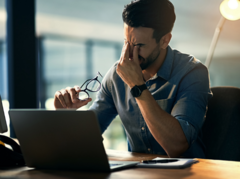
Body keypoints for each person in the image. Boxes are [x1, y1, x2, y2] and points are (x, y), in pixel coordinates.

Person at [54, 0, 212, 158]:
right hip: (137, 172)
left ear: (165, 40)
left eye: (139, 45)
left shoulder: (192, 73)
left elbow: (177, 146)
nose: (130, 54)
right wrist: (66, 116)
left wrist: (137, 86)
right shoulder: (116, 76)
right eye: (127, 42)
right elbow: (86, 138)